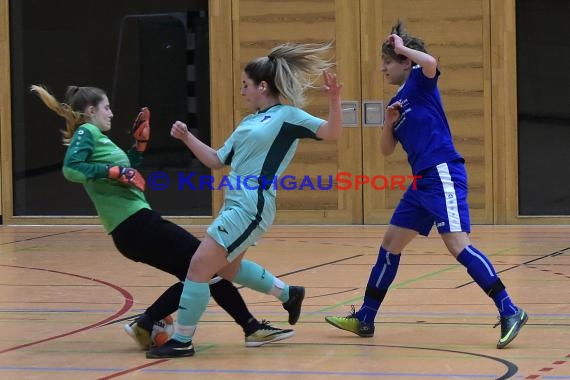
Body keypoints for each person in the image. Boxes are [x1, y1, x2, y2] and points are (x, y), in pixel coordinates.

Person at [30, 84, 296, 350]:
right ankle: (244, 328)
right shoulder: (86, 132)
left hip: (133, 226)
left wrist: (140, 145)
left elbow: (126, 170)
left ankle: (153, 323)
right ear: (90, 110)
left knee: (201, 272)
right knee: (205, 267)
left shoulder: (96, 136)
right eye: (106, 107)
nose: (111, 113)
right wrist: (115, 172)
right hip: (135, 224)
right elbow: (71, 168)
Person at [325, 21, 528, 349]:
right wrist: (388, 125)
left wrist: (404, 47)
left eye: (388, 61)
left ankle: (510, 309)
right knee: (390, 243)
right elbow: (386, 150)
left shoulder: (421, 81)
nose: (382, 68)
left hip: (442, 172)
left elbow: (431, 63)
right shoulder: (398, 101)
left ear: (405, 62)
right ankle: (365, 317)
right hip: (421, 182)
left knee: (457, 245)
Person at [146, 42, 342, 358]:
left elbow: (332, 133)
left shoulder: (288, 116)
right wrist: (186, 137)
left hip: (252, 203)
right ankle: (288, 294)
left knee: (199, 266)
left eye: (245, 85)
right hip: (235, 202)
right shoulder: (248, 122)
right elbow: (215, 159)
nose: (242, 92)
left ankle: (182, 340)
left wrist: (334, 99)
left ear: (262, 86)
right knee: (227, 269)